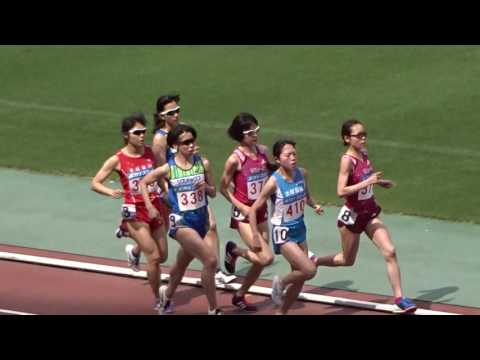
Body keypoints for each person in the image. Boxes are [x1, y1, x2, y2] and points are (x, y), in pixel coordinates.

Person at [309, 119, 417, 314]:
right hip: (351, 217)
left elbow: (365, 178)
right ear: (347, 138)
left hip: (369, 213)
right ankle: (315, 261)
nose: (363, 138)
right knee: (347, 260)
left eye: (364, 134)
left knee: (390, 251)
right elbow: (341, 191)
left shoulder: (364, 154)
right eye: (358, 135)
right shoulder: (346, 160)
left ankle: (400, 298)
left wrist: (378, 182)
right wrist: (368, 182)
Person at [139, 124, 223, 315]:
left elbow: (214, 192)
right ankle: (213, 309)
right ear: (176, 146)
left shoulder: (203, 164)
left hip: (200, 220)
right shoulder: (168, 168)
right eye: (186, 142)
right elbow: (144, 183)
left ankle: (166, 296)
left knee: (181, 265)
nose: (192, 145)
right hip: (181, 222)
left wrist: (206, 188)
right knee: (210, 260)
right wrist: (151, 207)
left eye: (193, 140)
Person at [91, 112, 168, 313]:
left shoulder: (151, 153)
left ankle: (133, 252)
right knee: (153, 256)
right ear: (127, 135)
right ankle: (159, 300)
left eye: (144, 131)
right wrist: (111, 191)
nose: (142, 136)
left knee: (163, 256)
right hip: (134, 212)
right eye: (137, 132)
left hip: (155, 207)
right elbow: (95, 183)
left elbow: (160, 178)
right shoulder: (117, 159)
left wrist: (169, 195)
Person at [249, 139, 323, 315]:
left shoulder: (302, 173)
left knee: (300, 279)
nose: (293, 157)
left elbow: (306, 195)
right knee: (309, 270)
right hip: (283, 232)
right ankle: (280, 283)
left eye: (294, 154)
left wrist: (314, 205)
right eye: (288, 155)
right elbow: (253, 209)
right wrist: (255, 235)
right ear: (277, 159)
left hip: (300, 228)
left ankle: (281, 312)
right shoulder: (273, 182)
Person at [220, 112, 275, 312]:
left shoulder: (263, 152)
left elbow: (269, 176)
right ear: (240, 135)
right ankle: (234, 250)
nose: (255, 135)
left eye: (256, 130)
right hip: (243, 214)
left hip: (261, 211)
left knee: (260, 261)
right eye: (250, 132)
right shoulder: (235, 159)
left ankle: (240, 295)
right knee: (265, 258)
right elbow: (223, 188)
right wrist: (240, 206)